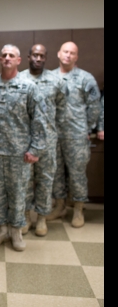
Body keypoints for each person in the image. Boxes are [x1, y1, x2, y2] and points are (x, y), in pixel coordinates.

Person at [0, 44, 47, 252]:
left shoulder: (29, 87)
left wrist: (35, 149)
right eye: (3, 55)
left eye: (11, 55)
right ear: (0, 59)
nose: (7, 58)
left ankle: (16, 232)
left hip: (19, 153)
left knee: (18, 194)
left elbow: (39, 121)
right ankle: (1, 229)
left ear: (18, 60)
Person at [47, 42, 101, 227]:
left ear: (76, 57)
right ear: (58, 53)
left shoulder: (87, 78)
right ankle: (59, 206)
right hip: (54, 135)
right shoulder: (50, 77)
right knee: (55, 173)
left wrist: (88, 127)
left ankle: (78, 209)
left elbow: (95, 105)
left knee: (77, 174)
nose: (68, 55)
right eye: (65, 52)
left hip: (76, 135)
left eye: (72, 53)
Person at [19, 44, 67, 237]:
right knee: (25, 181)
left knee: (45, 181)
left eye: (41, 56)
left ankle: (40, 219)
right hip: (24, 141)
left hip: (47, 142)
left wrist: (52, 130)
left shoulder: (56, 81)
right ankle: (25, 217)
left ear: (46, 58)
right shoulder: (19, 79)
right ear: (28, 56)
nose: (38, 59)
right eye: (34, 55)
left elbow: (62, 109)